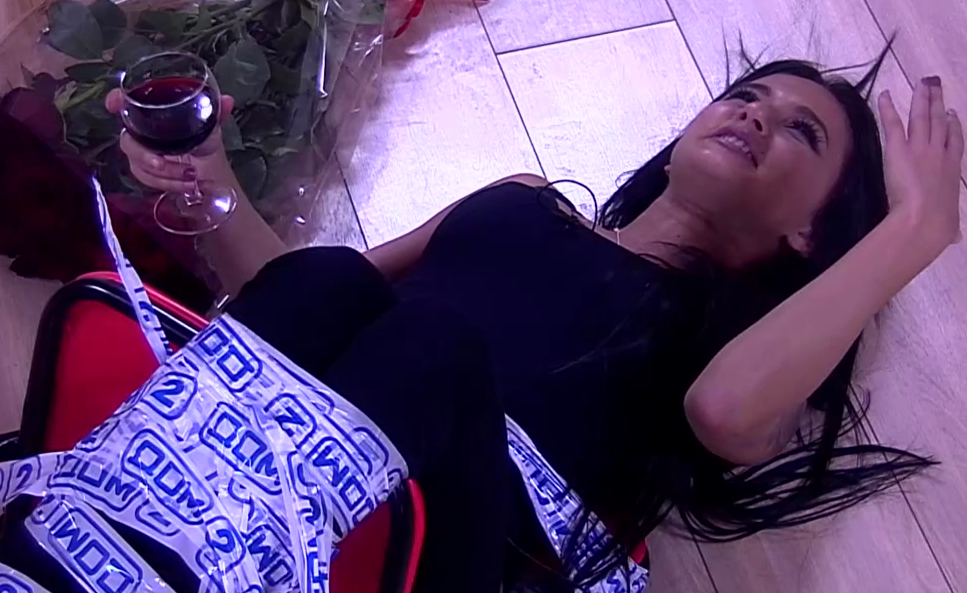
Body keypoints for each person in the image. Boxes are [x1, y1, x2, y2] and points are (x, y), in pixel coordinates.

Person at [101, 48, 961, 592]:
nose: (753, 113)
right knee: (329, 281)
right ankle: (95, 540)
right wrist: (206, 179)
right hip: (290, 448)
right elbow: (298, 305)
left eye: (800, 131)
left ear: (809, 231)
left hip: (441, 540)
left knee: (430, 347)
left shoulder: (727, 352)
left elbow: (724, 410)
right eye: (744, 94)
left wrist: (914, 228)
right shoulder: (522, 198)